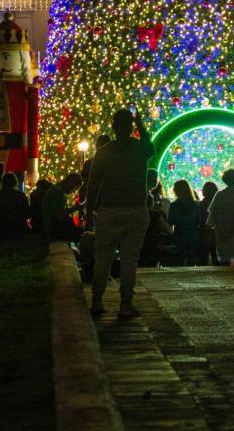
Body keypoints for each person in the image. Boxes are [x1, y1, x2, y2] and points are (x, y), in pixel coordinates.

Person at [85, 108, 152, 319]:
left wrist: (89, 210)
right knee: (129, 260)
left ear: (113, 127)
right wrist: (140, 123)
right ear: (131, 128)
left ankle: (97, 301)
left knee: (103, 257)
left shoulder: (104, 152)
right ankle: (125, 304)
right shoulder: (140, 149)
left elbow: (93, 183)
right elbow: (150, 145)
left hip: (109, 210)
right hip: (135, 209)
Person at [168, 179, 201, 265]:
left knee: (180, 261)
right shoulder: (197, 205)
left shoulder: (173, 205)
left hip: (179, 236)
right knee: (192, 261)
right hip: (194, 236)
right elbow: (199, 221)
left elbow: (171, 222)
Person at [42, 172, 82, 240]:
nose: (73, 192)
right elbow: (59, 217)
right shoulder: (57, 192)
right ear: (70, 182)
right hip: (53, 229)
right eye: (75, 188)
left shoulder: (57, 189)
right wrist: (73, 209)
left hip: (53, 227)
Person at [0, 172, 30, 237]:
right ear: (15, 182)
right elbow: (26, 213)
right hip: (18, 228)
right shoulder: (20, 195)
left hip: (1, 228)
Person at [197, 181, 218, 265]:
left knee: (202, 259)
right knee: (216, 259)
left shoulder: (200, 205)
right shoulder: (217, 204)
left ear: (204, 192)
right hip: (215, 233)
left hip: (202, 233)